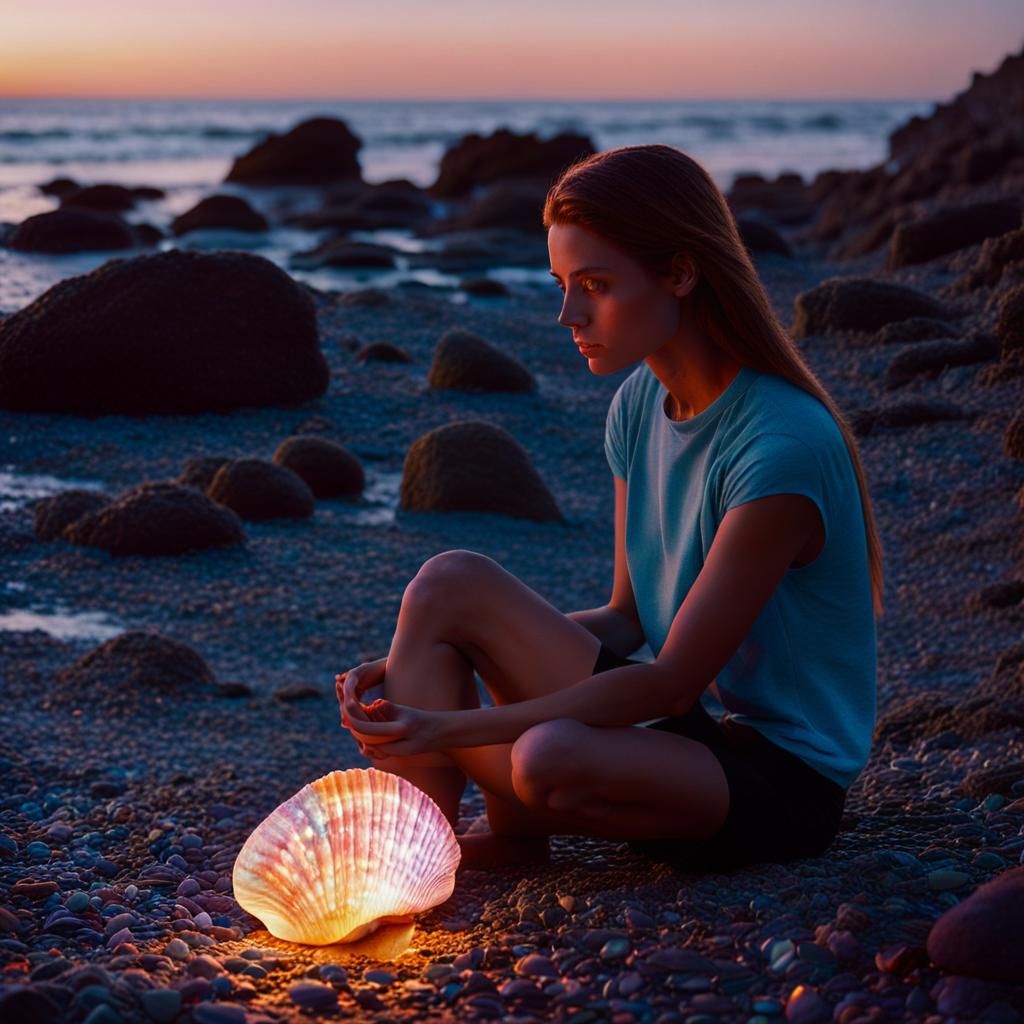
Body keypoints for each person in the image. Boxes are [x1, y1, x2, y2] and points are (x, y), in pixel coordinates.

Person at [336, 144, 881, 870]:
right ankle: (415, 860)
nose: (568, 314)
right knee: (446, 583)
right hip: (696, 735)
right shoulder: (638, 404)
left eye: (594, 284)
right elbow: (628, 619)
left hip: (782, 783)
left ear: (680, 272)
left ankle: (482, 835)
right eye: (562, 284)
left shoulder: (781, 447)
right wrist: (416, 652)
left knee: (546, 755)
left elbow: (670, 682)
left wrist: (445, 727)